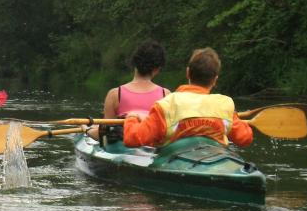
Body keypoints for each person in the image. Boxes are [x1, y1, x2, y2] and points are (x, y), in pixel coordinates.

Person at [123, 47, 253, 148]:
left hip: (174, 160)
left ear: (187, 73)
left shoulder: (166, 105)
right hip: (216, 159)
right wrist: (235, 117)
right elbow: (245, 138)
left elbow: (132, 139)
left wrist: (132, 118)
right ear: (215, 80)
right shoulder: (225, 105)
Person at [88, 40, 170, 143]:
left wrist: (87, 130)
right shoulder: (166, 95)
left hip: (124, 144)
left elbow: (105, 133)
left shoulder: (114, 94)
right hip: (153, 145)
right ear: (157, 69)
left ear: (135, 63)